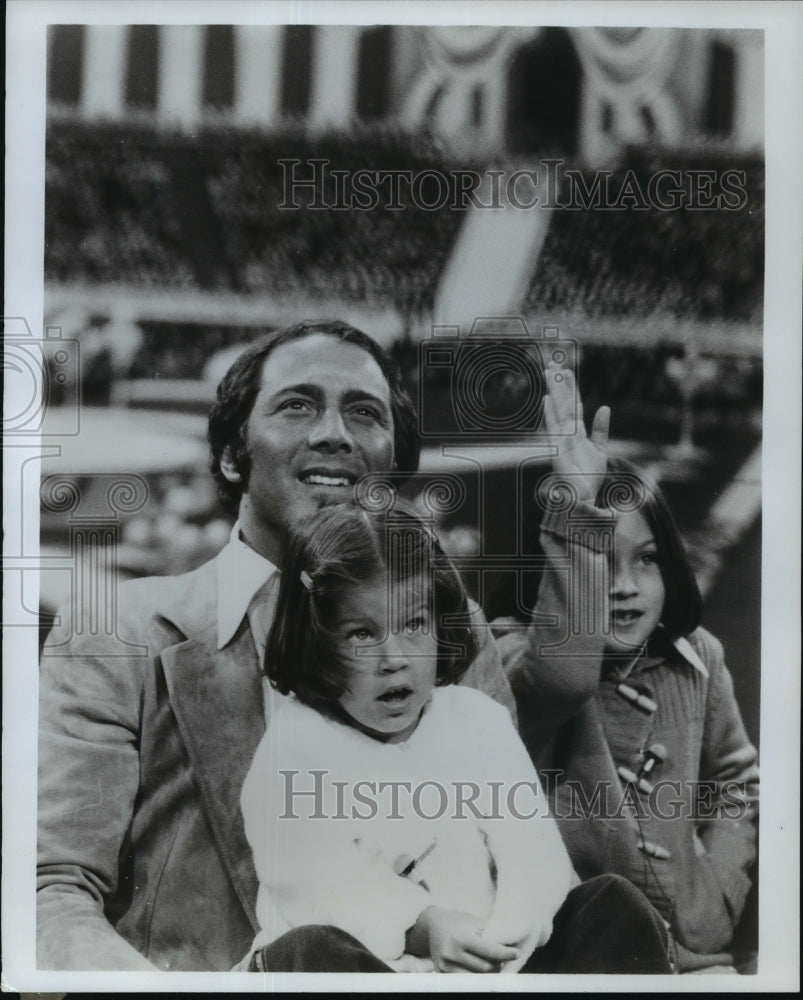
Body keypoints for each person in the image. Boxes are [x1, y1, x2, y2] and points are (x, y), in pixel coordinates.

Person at [36, 320, 515, 971]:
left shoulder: (454, 631)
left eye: (363, 413)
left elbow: (502, 854)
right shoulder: (116, 632)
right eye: (297, 404)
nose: (333, 433)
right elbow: (52, 891)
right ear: (234, 455)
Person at [239, 501, 672, 974]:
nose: (394, 658)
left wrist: (502, 947)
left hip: (490, 960)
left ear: (440, 623)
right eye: (361, 634)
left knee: (613, 905)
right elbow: (316, 881)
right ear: (317, 642)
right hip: (377, 964)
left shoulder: (475, 721)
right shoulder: (295, 748)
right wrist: (425, 924)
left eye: (413, 625)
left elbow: (533, 854)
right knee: (309, 950)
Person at [500, 369, 759, 973]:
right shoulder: (524, 662)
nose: (623, 588)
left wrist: (718, 889)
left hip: (694, 949)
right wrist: (576, 504)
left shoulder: (699, 658)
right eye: (601, 562)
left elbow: (736, 780)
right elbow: (564, 675)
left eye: (645, 561)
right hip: (578, 954)